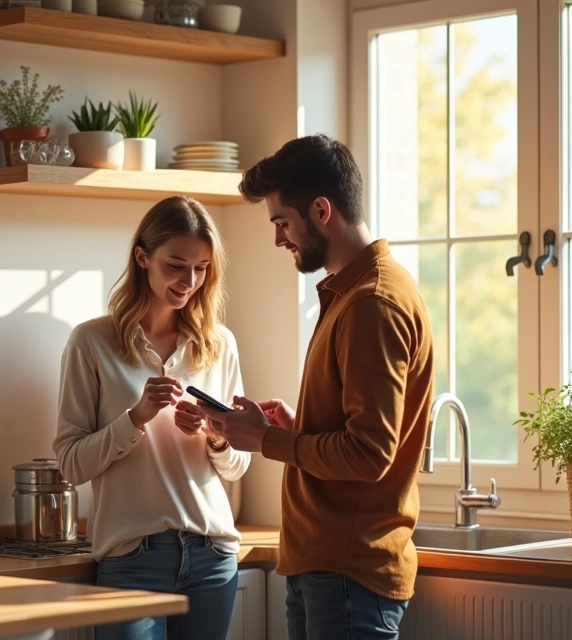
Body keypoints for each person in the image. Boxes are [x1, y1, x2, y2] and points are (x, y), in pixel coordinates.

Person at [196, 134, 434, 639]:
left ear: (322, 210)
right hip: (324, 565)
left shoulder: (373, 302)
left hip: (348, 570)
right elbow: (358, 433)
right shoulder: (353, 293)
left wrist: (266, 441)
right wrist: (297, 427)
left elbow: (370, 454)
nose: (279, 238)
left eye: (283, 222)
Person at [53, 195, 251, 640]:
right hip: (132, 558)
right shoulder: (91, 342)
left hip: (212, 554)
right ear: (142, 257)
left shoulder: (219, 344)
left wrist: (215, 436)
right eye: (176, 265)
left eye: (201, 268)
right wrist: (135, 418)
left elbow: (240, 463)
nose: (189, 280)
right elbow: (71, 463)